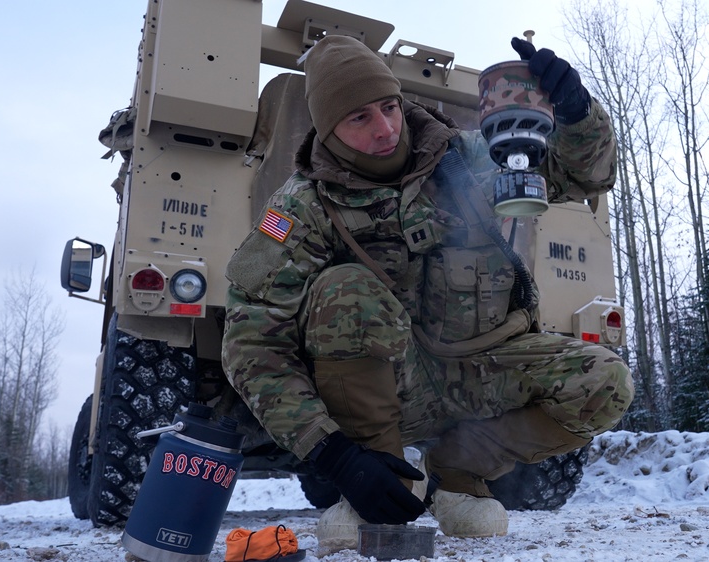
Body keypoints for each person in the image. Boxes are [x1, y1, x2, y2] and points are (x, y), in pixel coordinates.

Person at [221, 34, 634, 554]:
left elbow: (582, 176)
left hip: (480, 370)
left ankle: (459, 474)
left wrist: (575, 112)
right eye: (360, 118)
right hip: (392, 388)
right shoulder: (300, 209)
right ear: (329, 128)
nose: (385, 129)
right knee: (345, 290)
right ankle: (382, 477)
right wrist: (334, 456)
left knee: (606, 381)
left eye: (389, 107)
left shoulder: (467, 159)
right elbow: (251, 339)